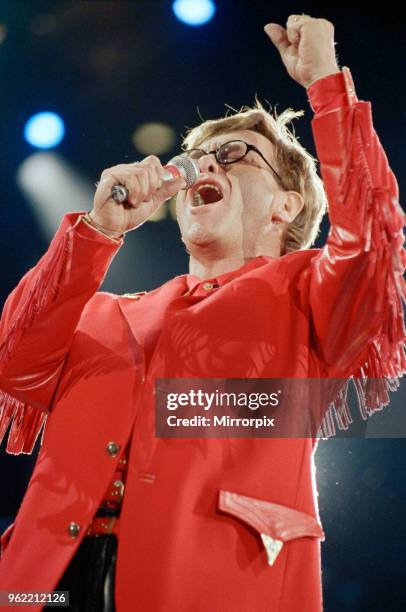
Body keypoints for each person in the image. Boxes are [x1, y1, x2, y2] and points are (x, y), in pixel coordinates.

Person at [0, 13, 405, 612]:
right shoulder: (105, 313)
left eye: (236, 155)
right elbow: (13, 362)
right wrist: (95, 232)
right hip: (44, 586)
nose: (204, 167)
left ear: (286, 205)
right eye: (195, 158)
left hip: (211, 583)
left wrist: (325, 82)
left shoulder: (307, 294)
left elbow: (372, 242)